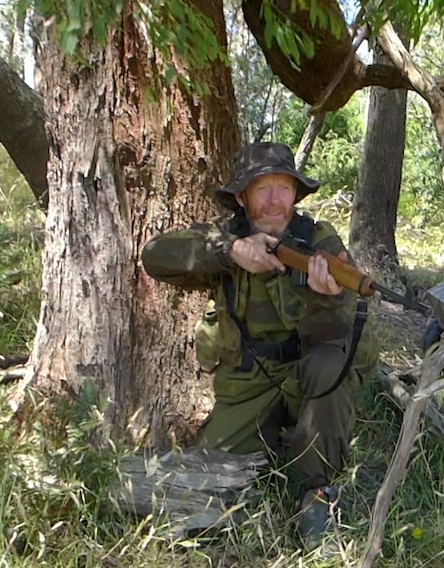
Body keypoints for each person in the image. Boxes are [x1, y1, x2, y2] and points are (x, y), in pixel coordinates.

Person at [141, 142, 378, 552]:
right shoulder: (225, 237)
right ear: (241, 198)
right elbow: (155, 257)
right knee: (207, 480)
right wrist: (229, 252)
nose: (273, 201)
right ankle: (268, 447)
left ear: (295, 194)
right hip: (247, 385)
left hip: (306, 375)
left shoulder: (317, 239)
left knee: (329, 367)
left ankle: (316, 493)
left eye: (283, 188)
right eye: (261, 189)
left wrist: (326, 295)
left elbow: (338, 330)